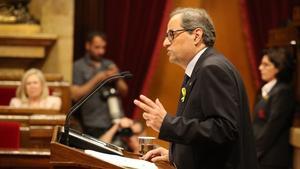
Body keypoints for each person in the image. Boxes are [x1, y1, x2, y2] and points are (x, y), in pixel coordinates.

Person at [134, 8, 258, 169]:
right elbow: (206, 129)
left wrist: (167, 123)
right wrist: (174, 154)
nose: (165, 42)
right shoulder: (202, 68)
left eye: (171, 34)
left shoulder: (212, 69)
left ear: (196, 35)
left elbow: (223, 130)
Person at [71, 31, 141, 152]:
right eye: (97, 47)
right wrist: (98, 78)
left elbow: (124, 92)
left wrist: (117, 77)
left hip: (116, 120)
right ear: (87, 46)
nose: (101, 51)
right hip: (93, 123)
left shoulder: (109, 64)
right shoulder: (78, 66)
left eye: (103, 47)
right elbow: (75, 95)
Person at [253, 47, 295, 169]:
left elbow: (272, 127)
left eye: (266, 65)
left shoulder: (283, 91)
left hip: (272, 159)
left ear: (279, 68)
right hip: (262, 156)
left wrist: (254, 152)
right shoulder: (264, 89)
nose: (260, 68)